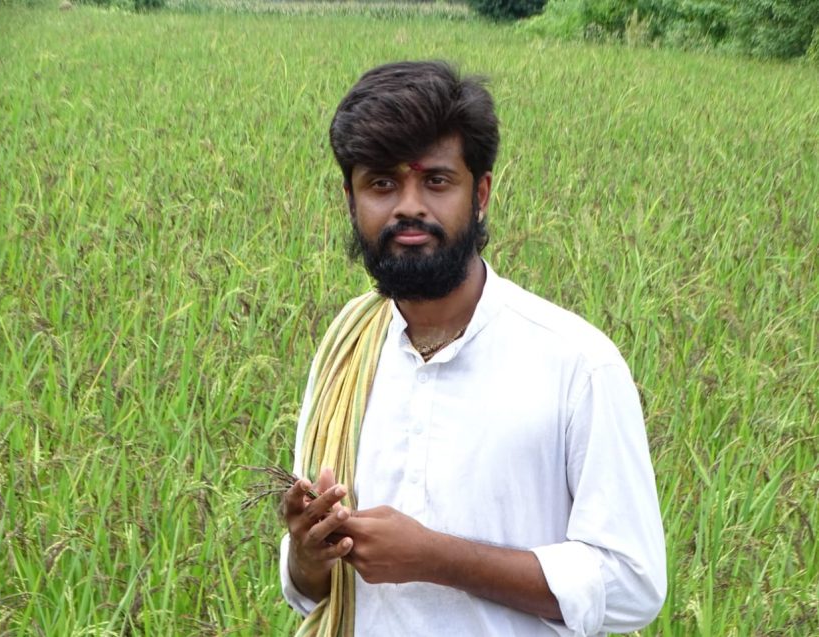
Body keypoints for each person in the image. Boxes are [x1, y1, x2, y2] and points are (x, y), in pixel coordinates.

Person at [279, 60, 666, 636]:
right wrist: (308, 556)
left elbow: (633, 586)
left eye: (436, 181)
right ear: (350, 200)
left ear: (480, 194)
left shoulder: (576, 364)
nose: (409, 206)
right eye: (382, 184)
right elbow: (309, 593)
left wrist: (437, 559)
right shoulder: (346, 349)